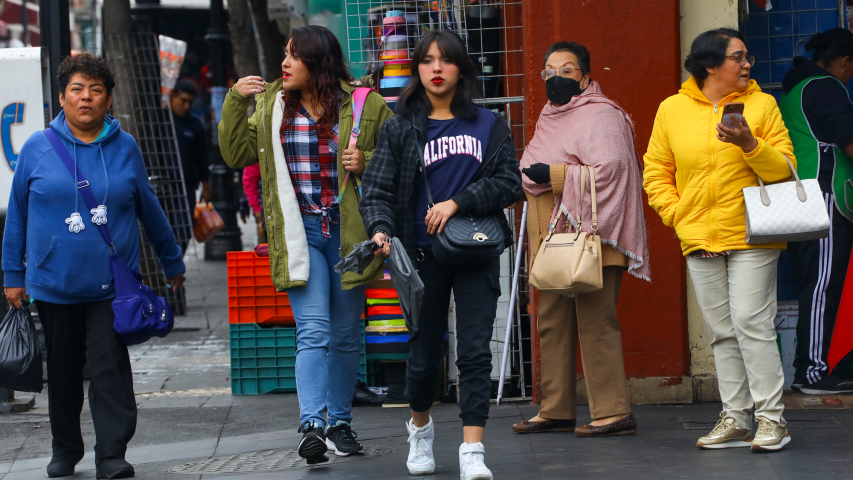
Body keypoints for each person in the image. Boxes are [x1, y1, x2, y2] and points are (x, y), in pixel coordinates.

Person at [2, 53, 186, 479]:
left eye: (96, 90)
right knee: (63, 374)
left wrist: (171, 257)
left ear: (108, 100)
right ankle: (65, 450)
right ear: (62, 99)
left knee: (109, 371)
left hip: (111, 286)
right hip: (53, 284)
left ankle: (112, 455)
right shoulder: (36, 148)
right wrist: (13, 275)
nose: (86, 98)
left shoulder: (125, 147)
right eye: (77, 90)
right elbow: (18, 215)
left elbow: (148, 206)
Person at [218, 25, 394, 463]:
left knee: (346, 334)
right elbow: (236, 154)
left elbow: (400, 159)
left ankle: (340, 423)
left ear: (318, 62)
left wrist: (366, 161)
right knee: (313, 330)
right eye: (285, 54)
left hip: (351, 234)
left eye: (294, 56)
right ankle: (312, 424)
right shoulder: (272, 105)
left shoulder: (365, 104)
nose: (284, 63)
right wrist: (235, 101)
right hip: (302, 233)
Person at [359, 31, 522, 479]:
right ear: (417, 69)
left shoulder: (489, 124)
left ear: (461, 69)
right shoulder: (400, 127)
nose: (435, 68)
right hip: (421, 258)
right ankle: (420, 427)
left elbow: (511, 182)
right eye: (427, 60)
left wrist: (458, 202)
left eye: (445, 60)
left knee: (474, 353)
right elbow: (376, 191)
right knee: (424, 353)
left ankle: (473, 450)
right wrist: (380, 230)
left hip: (476, 251)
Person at [644, 28, 795, 452]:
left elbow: (784, 168)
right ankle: (737, 418)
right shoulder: (672, 109)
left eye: (747, 57)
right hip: (698, 234)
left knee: (752, 323)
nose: (747, 64)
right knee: (722, 331)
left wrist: (750, 144)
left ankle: (772, 420)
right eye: (738, 57)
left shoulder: (762, 106)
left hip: (752, 233)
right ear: (711, 65)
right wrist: (677, 215)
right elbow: (656, 169)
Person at [514, 41, 650, 437]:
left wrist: (555, 176)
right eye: (550, 71)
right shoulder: (548, 116)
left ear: (586, 77)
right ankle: (556, 409)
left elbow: (614, 171)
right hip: (554, 239)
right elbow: (532, 165)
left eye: (567, 70)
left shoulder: (603, 116)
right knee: (551, 321)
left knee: (596, 320)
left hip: (597, 235)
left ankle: (613, 411)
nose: (557, 77)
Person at [779, 29, 853, 395]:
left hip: (803, 194)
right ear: (844, 62)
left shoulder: (797, 86)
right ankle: (811, 371)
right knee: (823, 285)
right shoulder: (826, 86)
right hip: (823, 195)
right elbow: (847, 138)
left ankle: (824, 365)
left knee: (820, 282)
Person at [169, 79, 211, 253]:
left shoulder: (194, 124)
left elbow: (202, 157)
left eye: (190, 102)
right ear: (172, 96)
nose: (186, 106)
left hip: (186, 184)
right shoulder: (161, 120)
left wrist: (206, 187)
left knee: (184, 228)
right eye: (183, 100)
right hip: (160, 183)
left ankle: (176, 269)